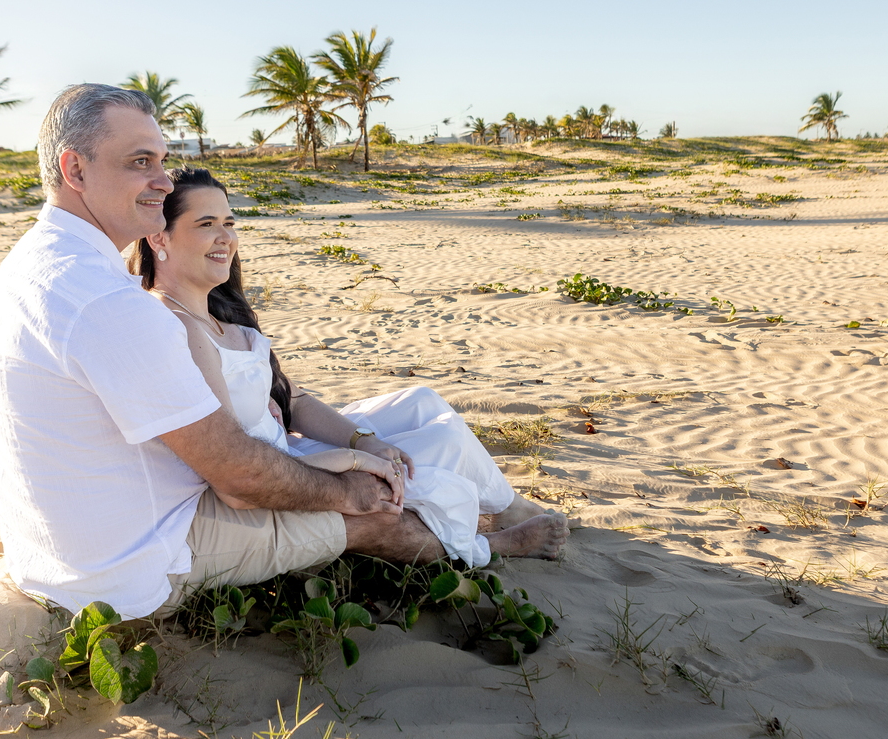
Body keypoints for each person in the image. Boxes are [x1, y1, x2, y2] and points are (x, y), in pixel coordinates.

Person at [127, 167, 569, 571]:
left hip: (287, 445)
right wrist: (356, 459)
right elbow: (235, 464)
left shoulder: (216, 316)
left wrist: (364, 441)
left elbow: (293, 399)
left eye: (229, 222)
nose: (225, 237)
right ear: (159, 238)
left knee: (422, 406)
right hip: (278, 471)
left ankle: (505, 509)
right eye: (206, 224)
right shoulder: (178, 327)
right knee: (432, 458)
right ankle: (492, 540)